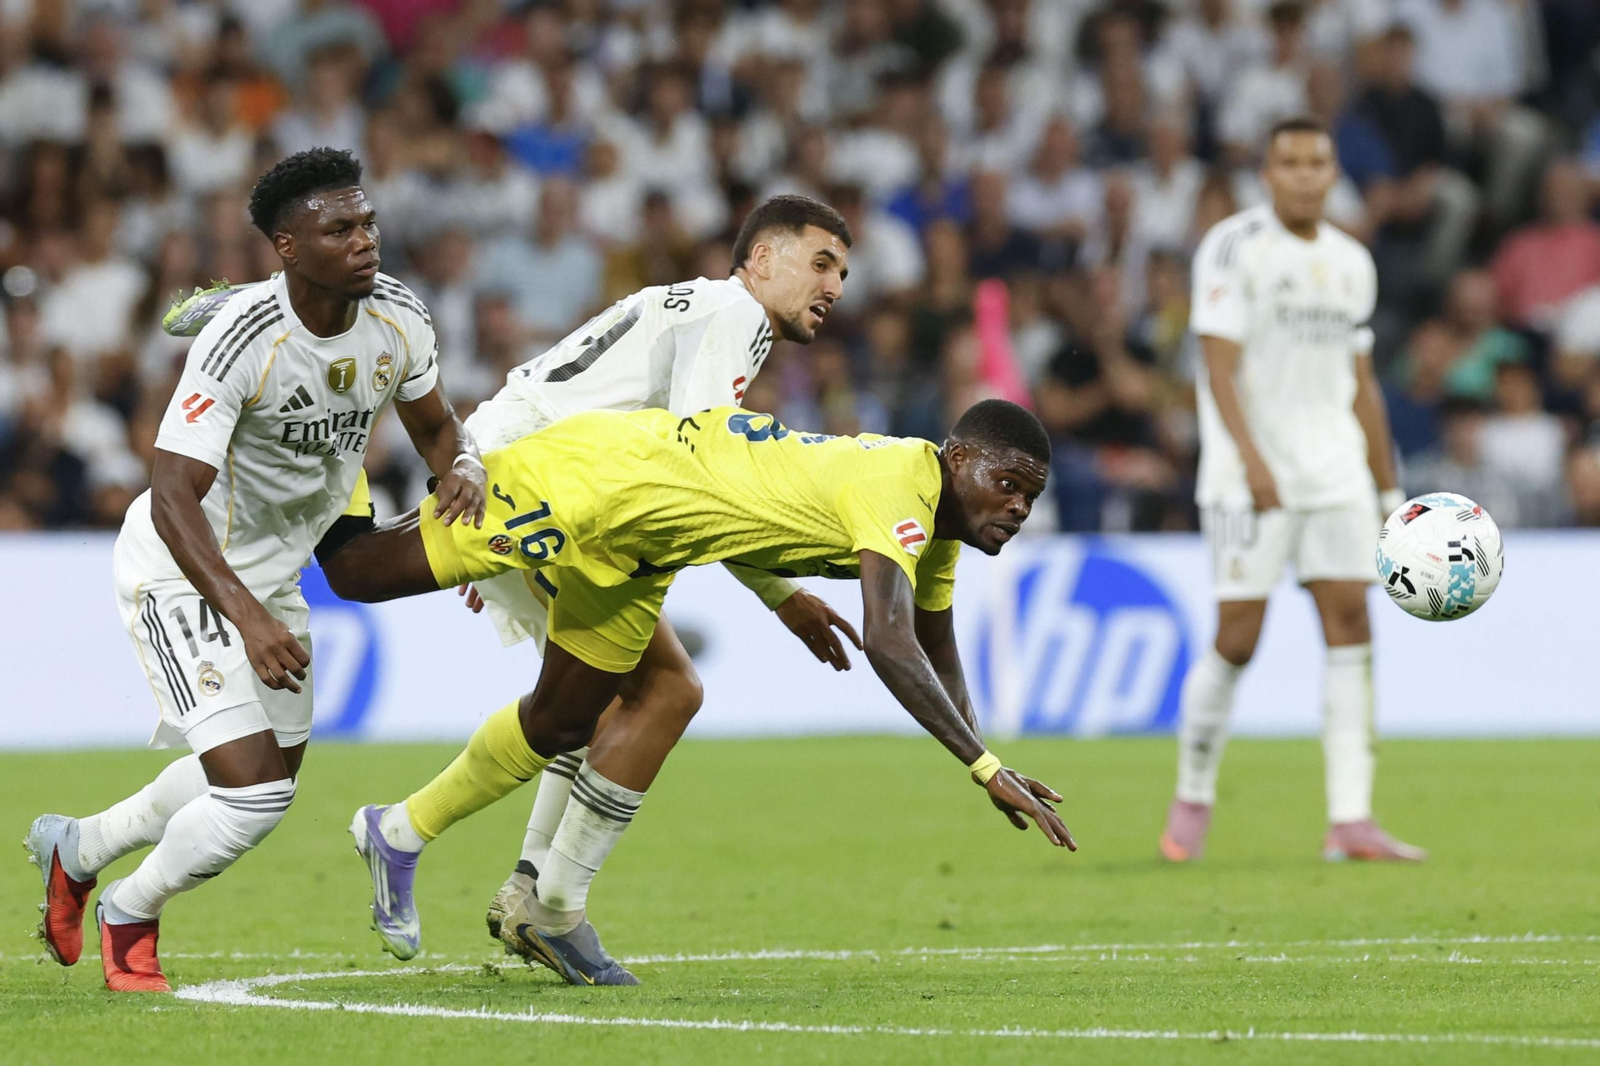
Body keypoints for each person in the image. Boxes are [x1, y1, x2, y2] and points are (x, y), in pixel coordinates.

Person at [157, 195, 866, 984]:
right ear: (762, 259)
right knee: (661, 691)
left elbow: (692, 471)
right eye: (821, 263)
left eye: (843, 271)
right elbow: (708, 469)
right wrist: (783, 589)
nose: (835, 286)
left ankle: (508, 880)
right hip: (545, 487)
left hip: (542, 476)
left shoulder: (706, 306)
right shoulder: (735, 313)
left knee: (595, 704)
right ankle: (493, 874)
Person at [325, 399, 1073, 985]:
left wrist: (986, 763)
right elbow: (888, 639)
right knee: (355, 572)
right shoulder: (900, 485)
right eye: (1007, 485)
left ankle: (396, 832)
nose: (1017, 508)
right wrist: (982, 766)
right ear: (960, 457)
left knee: (559, 723)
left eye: (1030, 498)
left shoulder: (938, 534)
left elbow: (935, 647)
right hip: (593, 486)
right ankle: (331, 426)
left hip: (645, 548)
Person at [24, 148, 487, 993]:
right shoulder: (241, 340)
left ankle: (78, 848)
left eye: (368, 222)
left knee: (251, 776)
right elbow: (171, 493)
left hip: (270, 579)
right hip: (182, 570)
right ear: (286, 246)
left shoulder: (399, 317)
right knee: (254, 798)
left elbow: (436, 426)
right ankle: (130, 914)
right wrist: (250, 616)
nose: (365, 241)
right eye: (338, 229)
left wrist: (462, 468)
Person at [1159, 117, 1423, 865]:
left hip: (1336, 467)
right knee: (1238, 637)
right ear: (1268, 173)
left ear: (1332, 171)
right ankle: (1194, 791)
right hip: (1252, 478)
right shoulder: (1235, 246)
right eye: (1290, 162)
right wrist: (1252, 462)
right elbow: (1216, 366)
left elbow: (1362, 383)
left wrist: (1386, 487)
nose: (1305, 175)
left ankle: (1351, 818)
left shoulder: (1351, 261)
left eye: (1317, 162)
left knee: (1350, 624)